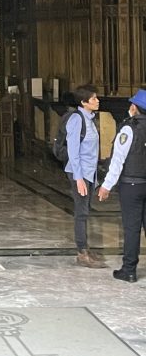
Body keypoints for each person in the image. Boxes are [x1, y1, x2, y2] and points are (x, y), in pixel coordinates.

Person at [98, 89, 146, 282]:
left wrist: (106, 185)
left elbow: (118, 160)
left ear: (134, 108)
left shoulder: (128, 128)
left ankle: (129, 270)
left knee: (132, 228)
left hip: (131, 185)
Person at [64, 83, 106, 268]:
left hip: (89, 173)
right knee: (81, 213)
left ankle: (85, 249)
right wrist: (78, 178)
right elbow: (73, 151)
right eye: (93, 98)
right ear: (83, 102)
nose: (97, 101)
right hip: (78, 172)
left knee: (86, 211)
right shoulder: (76, 119)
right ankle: (81, 252)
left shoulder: (90, 119)